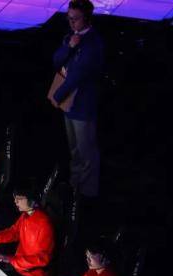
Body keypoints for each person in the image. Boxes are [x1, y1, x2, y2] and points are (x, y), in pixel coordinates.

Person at [50, 0, 104, 199]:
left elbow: (78, 75)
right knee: (74, 150)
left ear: (87, 18)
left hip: (82, 106)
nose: (71, 22)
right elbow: (56, 60)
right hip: (69, 106)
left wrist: (57, 96)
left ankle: (87, 195)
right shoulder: (70, 37)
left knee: (86, 152)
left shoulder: (94, 43)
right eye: (69, 18)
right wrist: (69, 47)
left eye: (75, 18)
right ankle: (75, 188)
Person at [0, 184, 55, 276]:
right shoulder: (25, 216)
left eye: (19, 199)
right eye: (15, 198)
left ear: (31, 200)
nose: (15, 202)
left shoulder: (44, 224)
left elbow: (43, 258)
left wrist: (11, 260)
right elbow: (14, 232)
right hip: (18, 268)